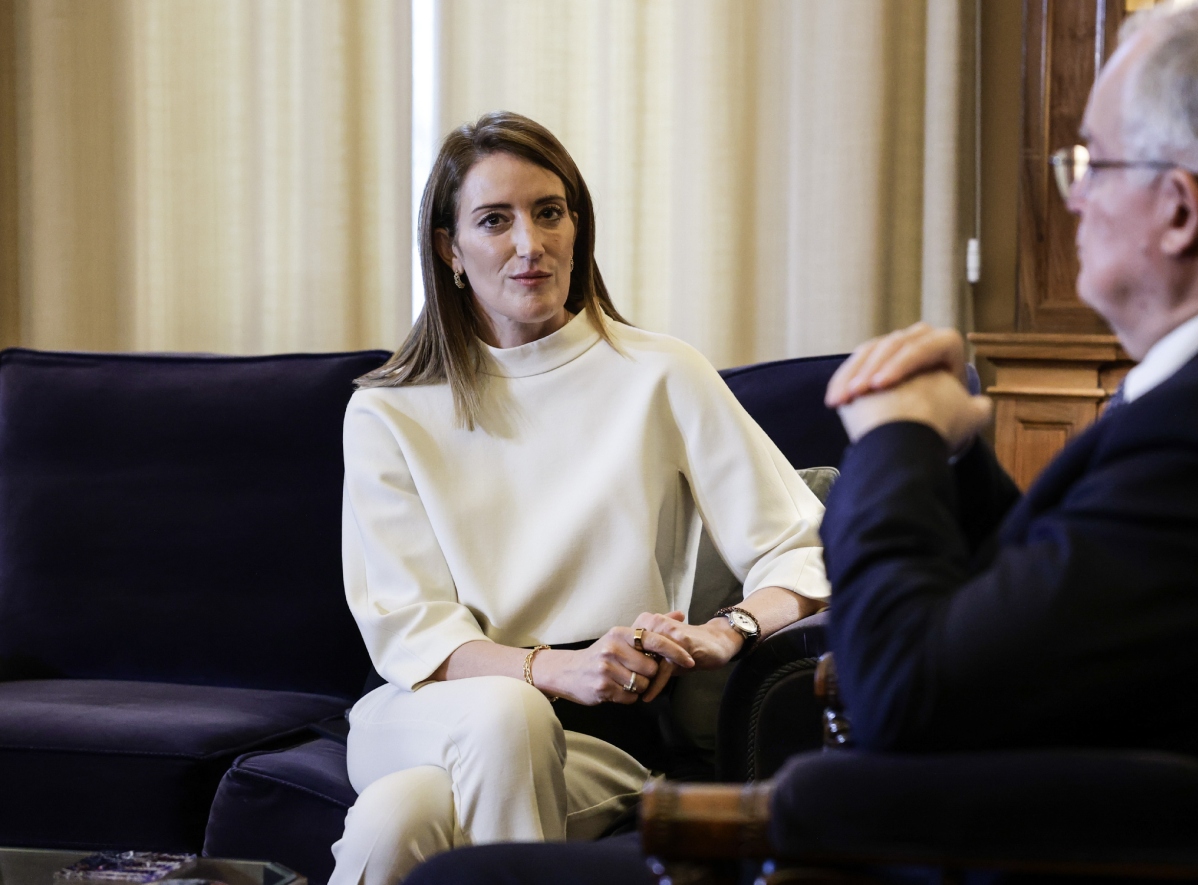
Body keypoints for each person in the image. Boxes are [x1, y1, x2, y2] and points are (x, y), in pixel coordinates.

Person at [398, 2, 1198, 882]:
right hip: (1043, 817)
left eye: (1093, 162)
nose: (1071, 195)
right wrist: (955, 459)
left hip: (1027, 849)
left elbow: (899, 692)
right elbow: (1056, 603)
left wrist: (893, 443)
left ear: (1177, 209)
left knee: (463, 880)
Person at [329, 111, 829, 885]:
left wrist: (728, 629)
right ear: (449, 248)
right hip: (420, 707)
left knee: (397, 820)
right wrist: (553, 669)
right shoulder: (388, 410)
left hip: (600, 738)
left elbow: (804, 545)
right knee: (507, 709)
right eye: (495, 220)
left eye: (549, 212)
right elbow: (412, 629)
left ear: (577, 226)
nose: (530, 243)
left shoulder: (660, 374)